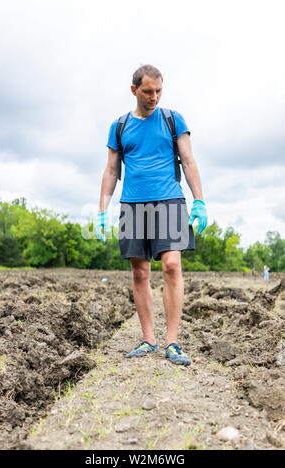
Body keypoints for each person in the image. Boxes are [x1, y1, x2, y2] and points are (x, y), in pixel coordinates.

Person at [95, 64, 207, 366]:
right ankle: (149, 339)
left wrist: (199, 201)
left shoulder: (173, 120)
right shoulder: (119, 126)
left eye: (158, 91)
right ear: (134, 91)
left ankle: (172, 342)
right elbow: (110, 170)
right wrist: (102, 210)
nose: (154, 97)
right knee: (140, 272)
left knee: (172, 265)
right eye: (147, 91)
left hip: (169, 200)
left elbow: (189, 161)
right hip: (133, 204)